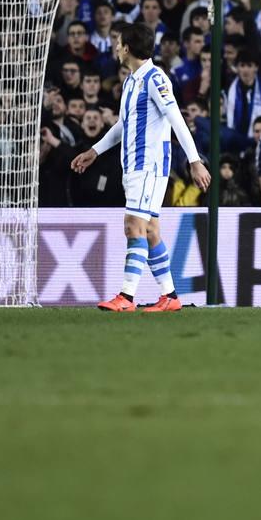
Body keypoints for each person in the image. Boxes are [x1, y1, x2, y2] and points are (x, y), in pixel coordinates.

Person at [70, 23, 211, 312]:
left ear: (128, 47)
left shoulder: (155, 78)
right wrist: (94, 151)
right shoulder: (131, 81)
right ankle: (170, 296)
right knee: (150, 230)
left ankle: (127, 296)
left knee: (133, 226)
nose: (116, 47)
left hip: (148, 164)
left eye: (119, 42)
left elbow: (176, 117)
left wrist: (194, 160)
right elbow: (124, 124)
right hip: (133, 164)